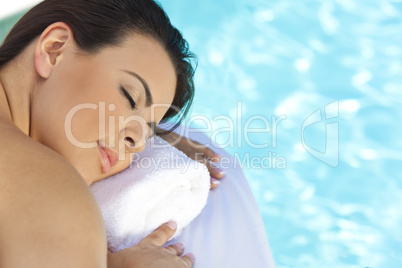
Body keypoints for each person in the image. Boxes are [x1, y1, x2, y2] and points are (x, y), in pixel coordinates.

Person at [0, 0, 224, 267]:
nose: (139, 143)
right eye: (130, 96)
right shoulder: (53, 192)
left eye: (149, 130)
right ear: (54, 49)